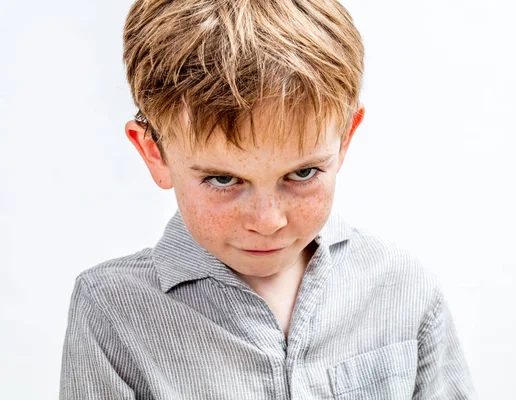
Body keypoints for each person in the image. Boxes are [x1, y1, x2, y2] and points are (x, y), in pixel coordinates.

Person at [60, 0, 476, 398]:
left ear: (345, 139)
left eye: (302, 173)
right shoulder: (111, 310)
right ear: (155, 152)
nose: (267, 220)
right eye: (224, 179)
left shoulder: (401, 286)